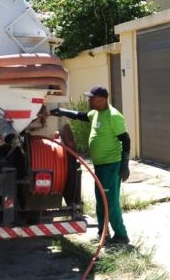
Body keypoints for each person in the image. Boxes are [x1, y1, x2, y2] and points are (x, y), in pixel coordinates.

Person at [49, 86, 131, 245]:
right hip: (100, 166)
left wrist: (125, 164)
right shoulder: (96, 114)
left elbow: (125, 140)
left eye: (92, 98)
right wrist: (62, 111)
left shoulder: (113, 116)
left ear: (102, 99)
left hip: (111, 165)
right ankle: (103, 233)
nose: (89, 100)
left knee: (110, 201)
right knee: (101, 200)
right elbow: (80, 115)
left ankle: (121, 235)